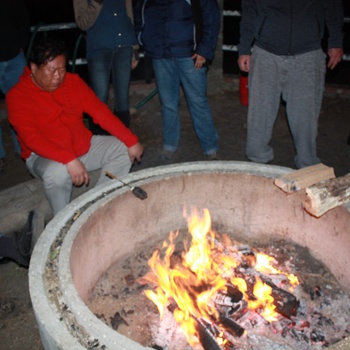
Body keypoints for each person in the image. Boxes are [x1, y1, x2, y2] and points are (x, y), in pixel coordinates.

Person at [7, 38, 143, 216]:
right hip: (43, 156)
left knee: (124, 149)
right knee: (58, 172)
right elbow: (31, 138)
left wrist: (131, 140)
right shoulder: (17, 96)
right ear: (33, 68)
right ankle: (63, 220)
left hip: (82, 146)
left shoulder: (73, 82)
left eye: (62, 69)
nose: (58, 76)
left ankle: (98, 206)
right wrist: (68, 159)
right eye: (51, 70)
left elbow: (100, 112)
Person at [237, 0, 344, 169]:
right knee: (260, 111)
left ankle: (307, 162)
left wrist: (336, 40)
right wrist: (244, 48)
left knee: (305, 114)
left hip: (307, 53)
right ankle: (257, 158)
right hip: (265, 51)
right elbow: (249, 10)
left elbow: (333, 6)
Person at [134, 0, 221, 161]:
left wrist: (204, 49)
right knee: (168, 103)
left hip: (190, 55)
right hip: (160, 54)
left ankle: (210, 147)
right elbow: (140, 14)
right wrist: (143, 39)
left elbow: (211, 16)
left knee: (198, 101)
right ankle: (170, 145)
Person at [73, 0, 139, 130]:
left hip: (124, 45)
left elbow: (129, 15)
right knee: (98, 99)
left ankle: (123, 141)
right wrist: (96, 3)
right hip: (98, 49)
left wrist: (134, 47)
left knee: (123, 98)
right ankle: (99, 141)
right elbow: (82, 23)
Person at [0, 0, 31, 172]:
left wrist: (21, 44)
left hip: (14, 57)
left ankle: (24, 149)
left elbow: (22, 16)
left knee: (20, 107)